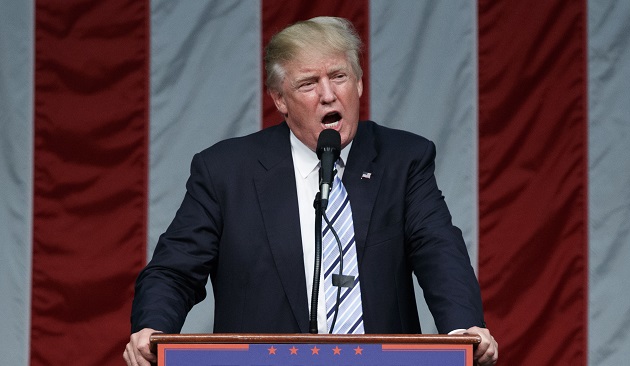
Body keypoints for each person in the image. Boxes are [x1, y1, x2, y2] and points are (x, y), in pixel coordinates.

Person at [123, 16, 497, 366]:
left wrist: (464, 329)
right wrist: (152, 328)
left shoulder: (403, 159)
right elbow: (175, 270)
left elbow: (438, 248)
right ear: (280, 99)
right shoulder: (225, 171)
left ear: (360, 83)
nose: (329, 95)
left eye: (339, 76)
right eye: (308, 84)